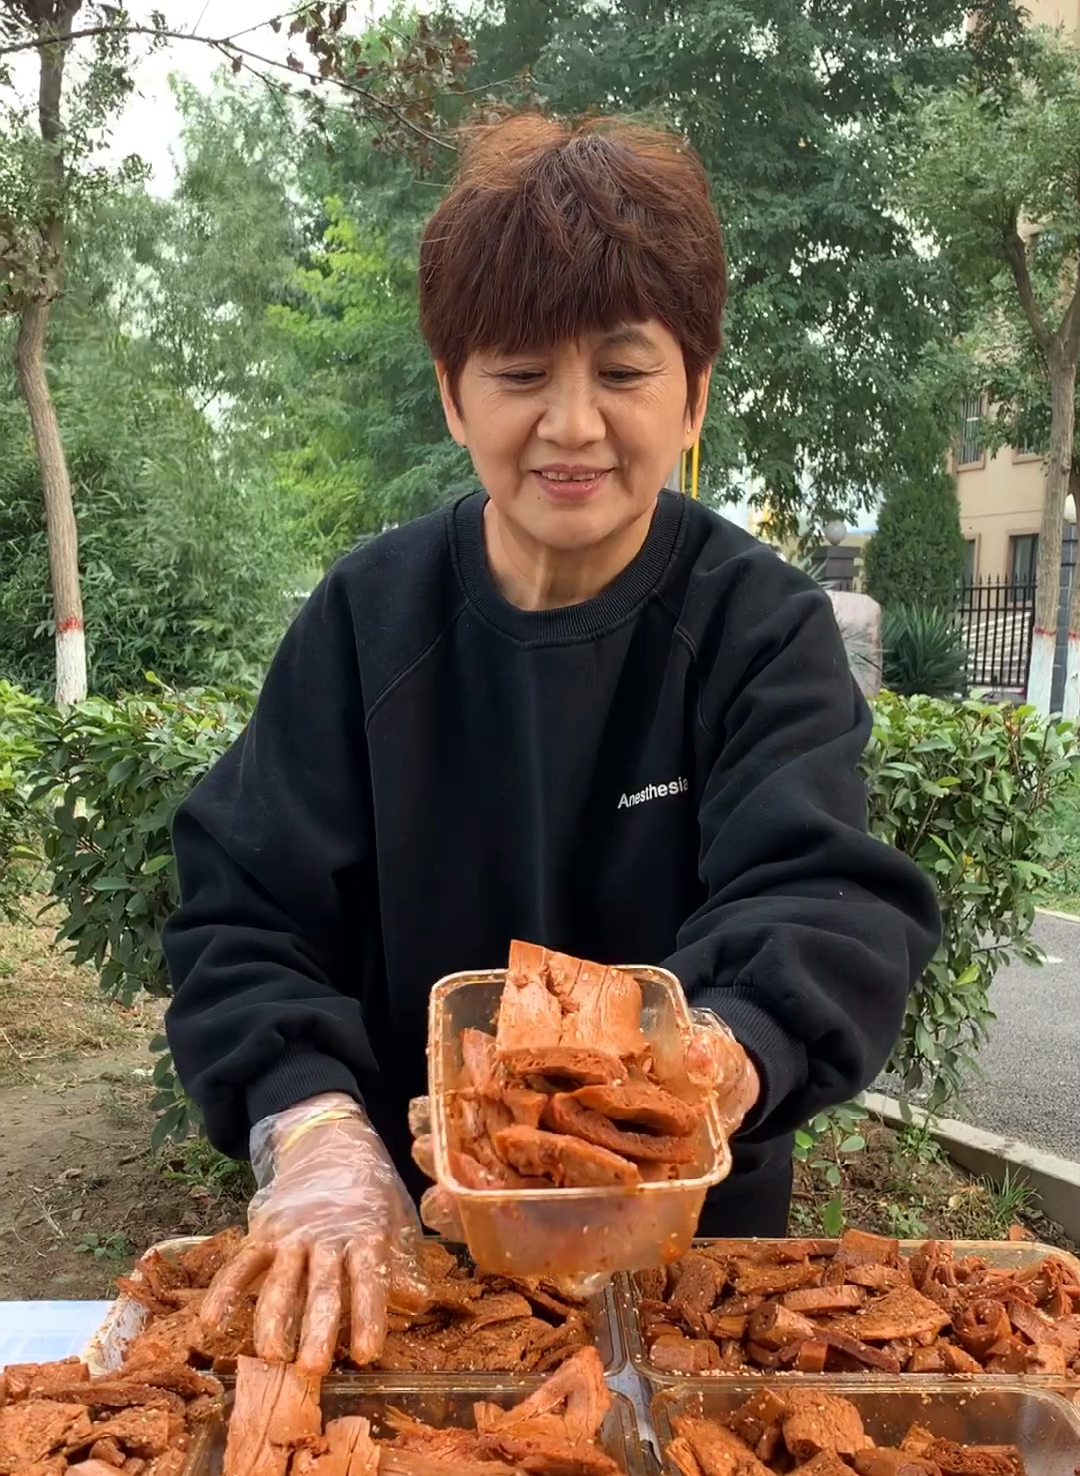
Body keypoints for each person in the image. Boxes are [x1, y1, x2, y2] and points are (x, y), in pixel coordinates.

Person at [163, 113, 940, 1370]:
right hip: (405, 1267)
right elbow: (243, 921)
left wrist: (710, 1068)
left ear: (692, 393)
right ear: (452, 393)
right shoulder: (366, 622)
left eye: (623, 373)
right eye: (522, 374)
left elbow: (823, 903)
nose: (572, 425)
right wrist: (313, 1136)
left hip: (692, 1271)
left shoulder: (760, 628)